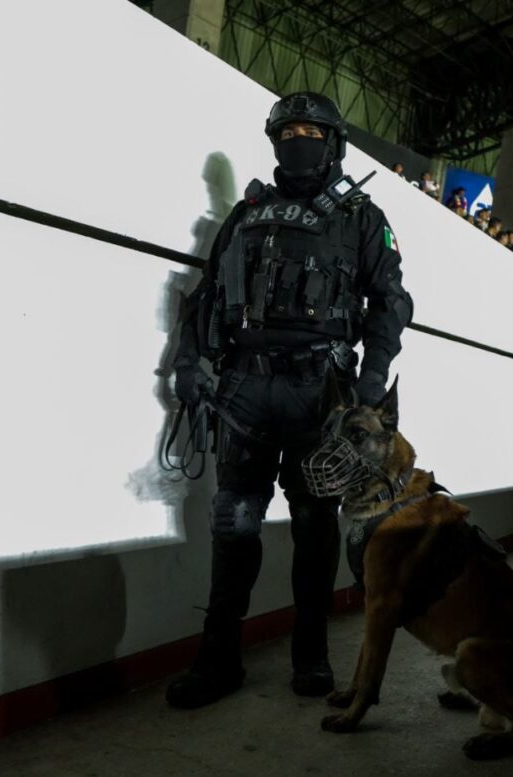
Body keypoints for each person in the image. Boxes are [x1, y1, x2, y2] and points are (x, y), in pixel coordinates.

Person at [166, 92, 414, 708]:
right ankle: (218, 659)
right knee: (233, 521)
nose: (297, 142)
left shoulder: (362, 216)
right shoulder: (247, 213)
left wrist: (372, 381)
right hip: (243, 389)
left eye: (310, 132)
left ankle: (312, 655)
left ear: (334, 144)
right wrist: (187, 364)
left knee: (313, 524)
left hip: (319, 393)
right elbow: (205, 295)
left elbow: (390, 303)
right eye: (287, 133)